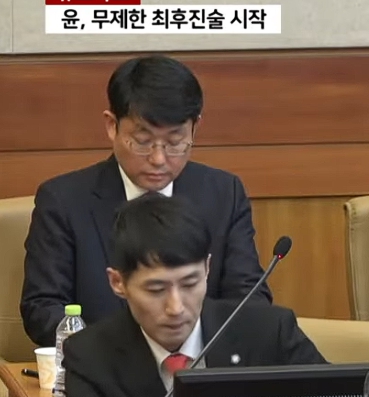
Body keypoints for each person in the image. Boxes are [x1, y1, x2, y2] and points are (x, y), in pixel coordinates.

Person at [61, 195, 367, 397]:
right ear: (118, 283)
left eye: (190, 284)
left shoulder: (268, 332)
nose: (176, 307)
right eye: (156, 289)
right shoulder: (89, 356)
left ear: (207, 268)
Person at [22, 54, 270, 349]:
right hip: (106, 369)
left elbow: (249, 297)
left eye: (175, 142)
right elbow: (43, 308)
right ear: (112, 125)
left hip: (199, 364)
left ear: (195, 128)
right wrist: (113, 356)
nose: (159, 159)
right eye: (142, 141)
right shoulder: (63, 200)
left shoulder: (223, 193)